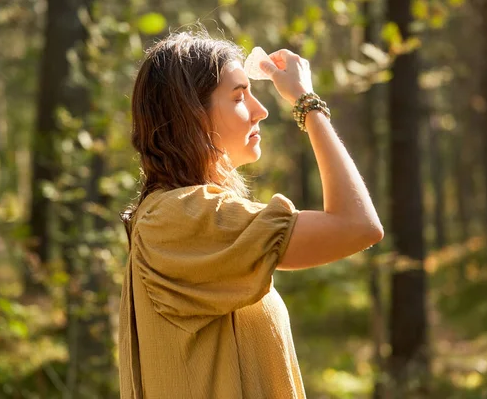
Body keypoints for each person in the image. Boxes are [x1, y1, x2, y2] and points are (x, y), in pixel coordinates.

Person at [118, 30, 383, 399]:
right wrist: (307, 103)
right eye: (239, 96)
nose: (261, 110)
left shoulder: (185, 217)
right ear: (191, 115)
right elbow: (357, 226)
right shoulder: (178, 218)